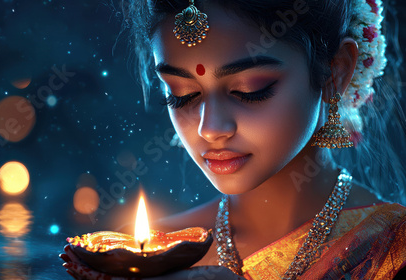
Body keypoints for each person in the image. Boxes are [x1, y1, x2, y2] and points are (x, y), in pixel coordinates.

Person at [60, 0, 406, 279]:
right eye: (182, 95)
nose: (209, 128)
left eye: (249, 91)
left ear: (336, 72)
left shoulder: (392, 247)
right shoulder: (145, 256)